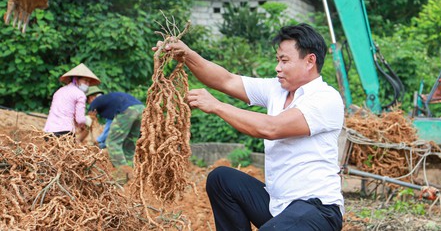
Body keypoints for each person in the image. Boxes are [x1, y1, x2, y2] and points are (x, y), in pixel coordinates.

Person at [157, 23, 344, 230]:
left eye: (284, 61)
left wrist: (218, 106)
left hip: (317, 211)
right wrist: (188, 54)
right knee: (221, 180)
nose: (278, 68)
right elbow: (226, 81)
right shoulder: (277, 89)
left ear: (310, 61)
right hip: (278, 206)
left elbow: (272, 128)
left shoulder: (326, 99)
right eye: (277, 60)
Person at [87, 89, 144, 167]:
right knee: (129, 145)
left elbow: (90, 122)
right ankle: (132, 173)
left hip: (128, 111)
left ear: (90, 98)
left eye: (88, 101)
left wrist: (99, 141)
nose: (89, 104)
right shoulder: (111, 101)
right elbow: (110, 124)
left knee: (112, 143)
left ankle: (124, 174)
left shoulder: (95, 101)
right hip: (141, 109)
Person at [44, 63, 101, 138]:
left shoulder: (59, 91)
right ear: (76, 79)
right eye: (85, 81)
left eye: (88, 82)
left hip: (48, 129)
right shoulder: (80, 94)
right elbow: (80, 119)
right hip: (65, 131)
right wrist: (87, 120)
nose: (87, 84)